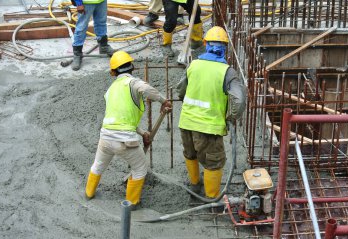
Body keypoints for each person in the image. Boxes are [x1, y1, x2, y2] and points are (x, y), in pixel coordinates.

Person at [85, 51, 172, 208]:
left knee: (98, 165)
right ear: (132, 67)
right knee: (140, 169)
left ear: (113, 72)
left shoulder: (110, 91)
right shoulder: (132, 83)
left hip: (105, 137)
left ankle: (89, 193)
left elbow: (122, 119)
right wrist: (163, 100)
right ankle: (131, 203)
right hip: (124, 140)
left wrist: (142, 133)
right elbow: (146, 89)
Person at [177, 26, 246, 199]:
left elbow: (180, 90)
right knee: (213, 163)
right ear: (225, 48)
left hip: (186, 122)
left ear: (206, 44)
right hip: (209, 128)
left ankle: (194, 185)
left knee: (190, 153)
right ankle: (212, 198)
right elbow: (239, 100)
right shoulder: (227, 72)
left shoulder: (193, 65)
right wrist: (231, 116)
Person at [72, 0, 115, 71]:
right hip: (86, 2)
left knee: (101, 23)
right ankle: (77, 54)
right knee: (81, 27)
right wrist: (79, 3)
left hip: (101, 1)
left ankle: (103, 47)